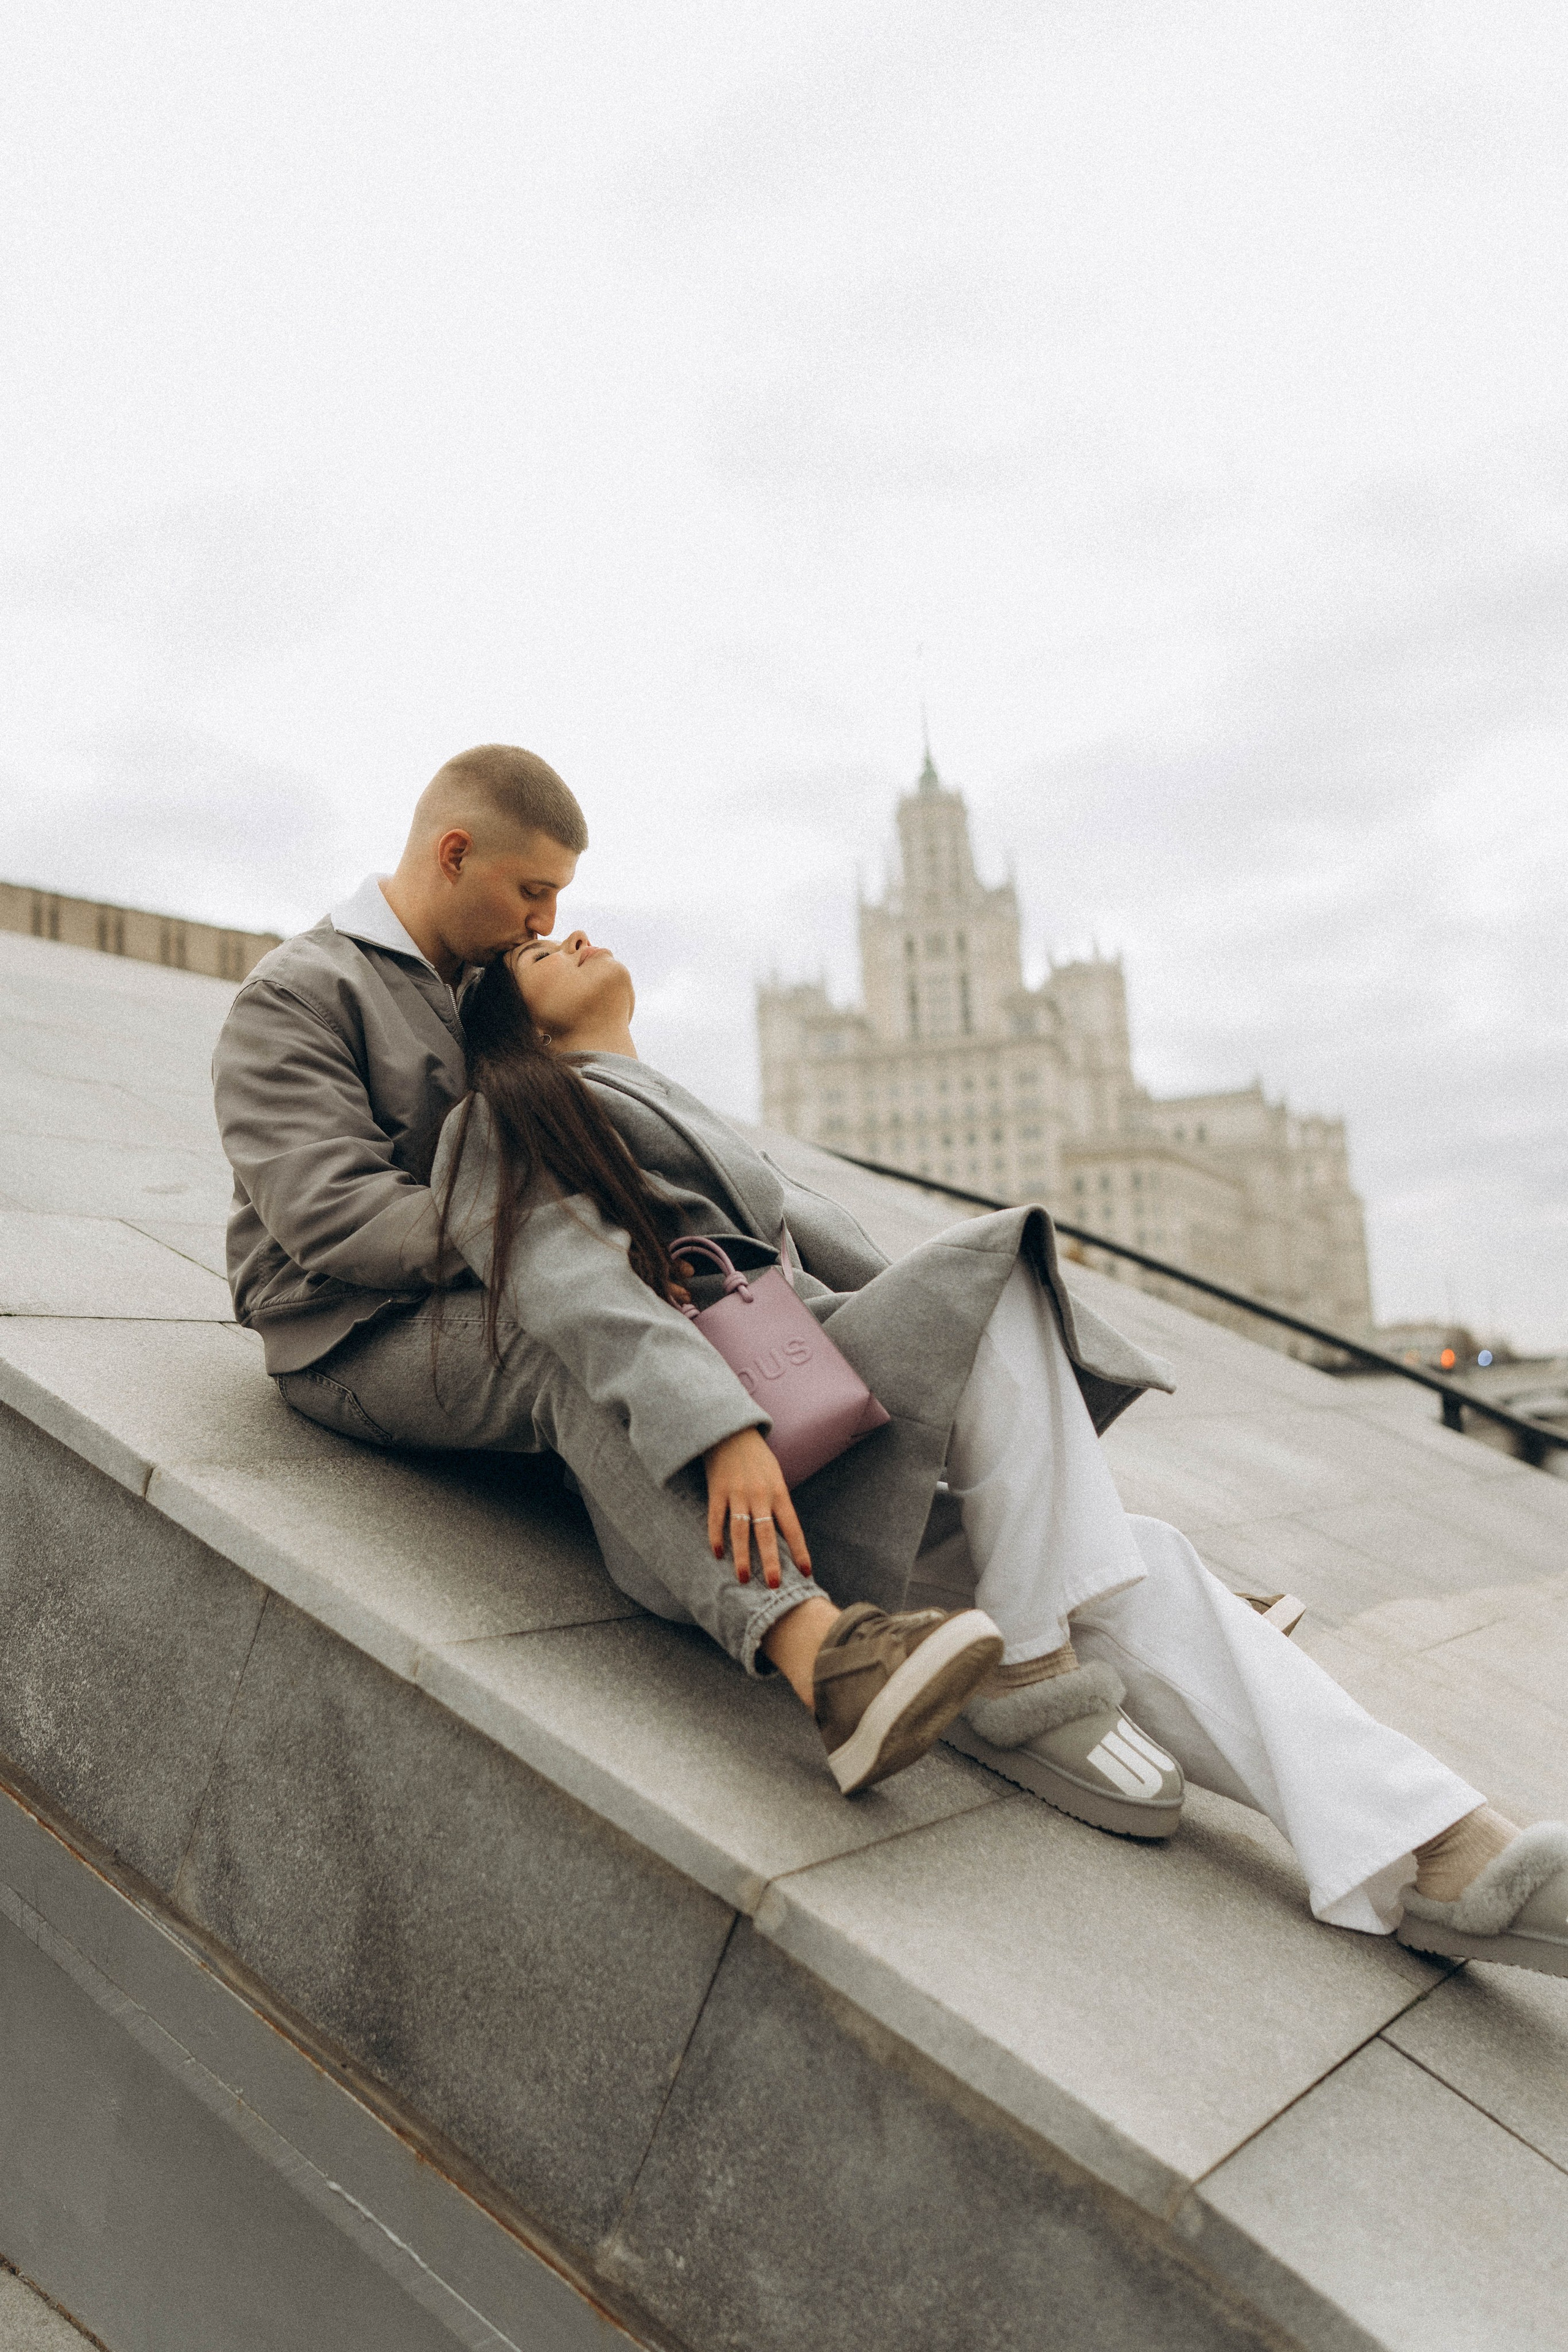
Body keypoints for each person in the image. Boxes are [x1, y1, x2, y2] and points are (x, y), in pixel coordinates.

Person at [214, 742, 1568, 1979]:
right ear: (456, 855)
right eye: (536, 902)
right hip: (377, 1333)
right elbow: (403, 1231)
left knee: (1112, 1508)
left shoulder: (523, 1023)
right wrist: (638, 1315)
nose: (551, 925)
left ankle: (1440, 1851)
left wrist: (921, 1360)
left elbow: (805, 1239)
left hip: (761, 1364)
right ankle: (942, 1652)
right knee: (647, 1326)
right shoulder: (343, 1013)